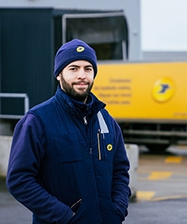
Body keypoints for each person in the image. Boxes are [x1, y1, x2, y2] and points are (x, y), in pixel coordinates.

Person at [6, 39, 131, 224]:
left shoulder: (106, 120)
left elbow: (120, 170)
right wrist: (64, 217)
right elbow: (19, 180)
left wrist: (118, 210)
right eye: (73, 68)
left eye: (88, 69)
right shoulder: (37, 121)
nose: (82, 75)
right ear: (59, 74)